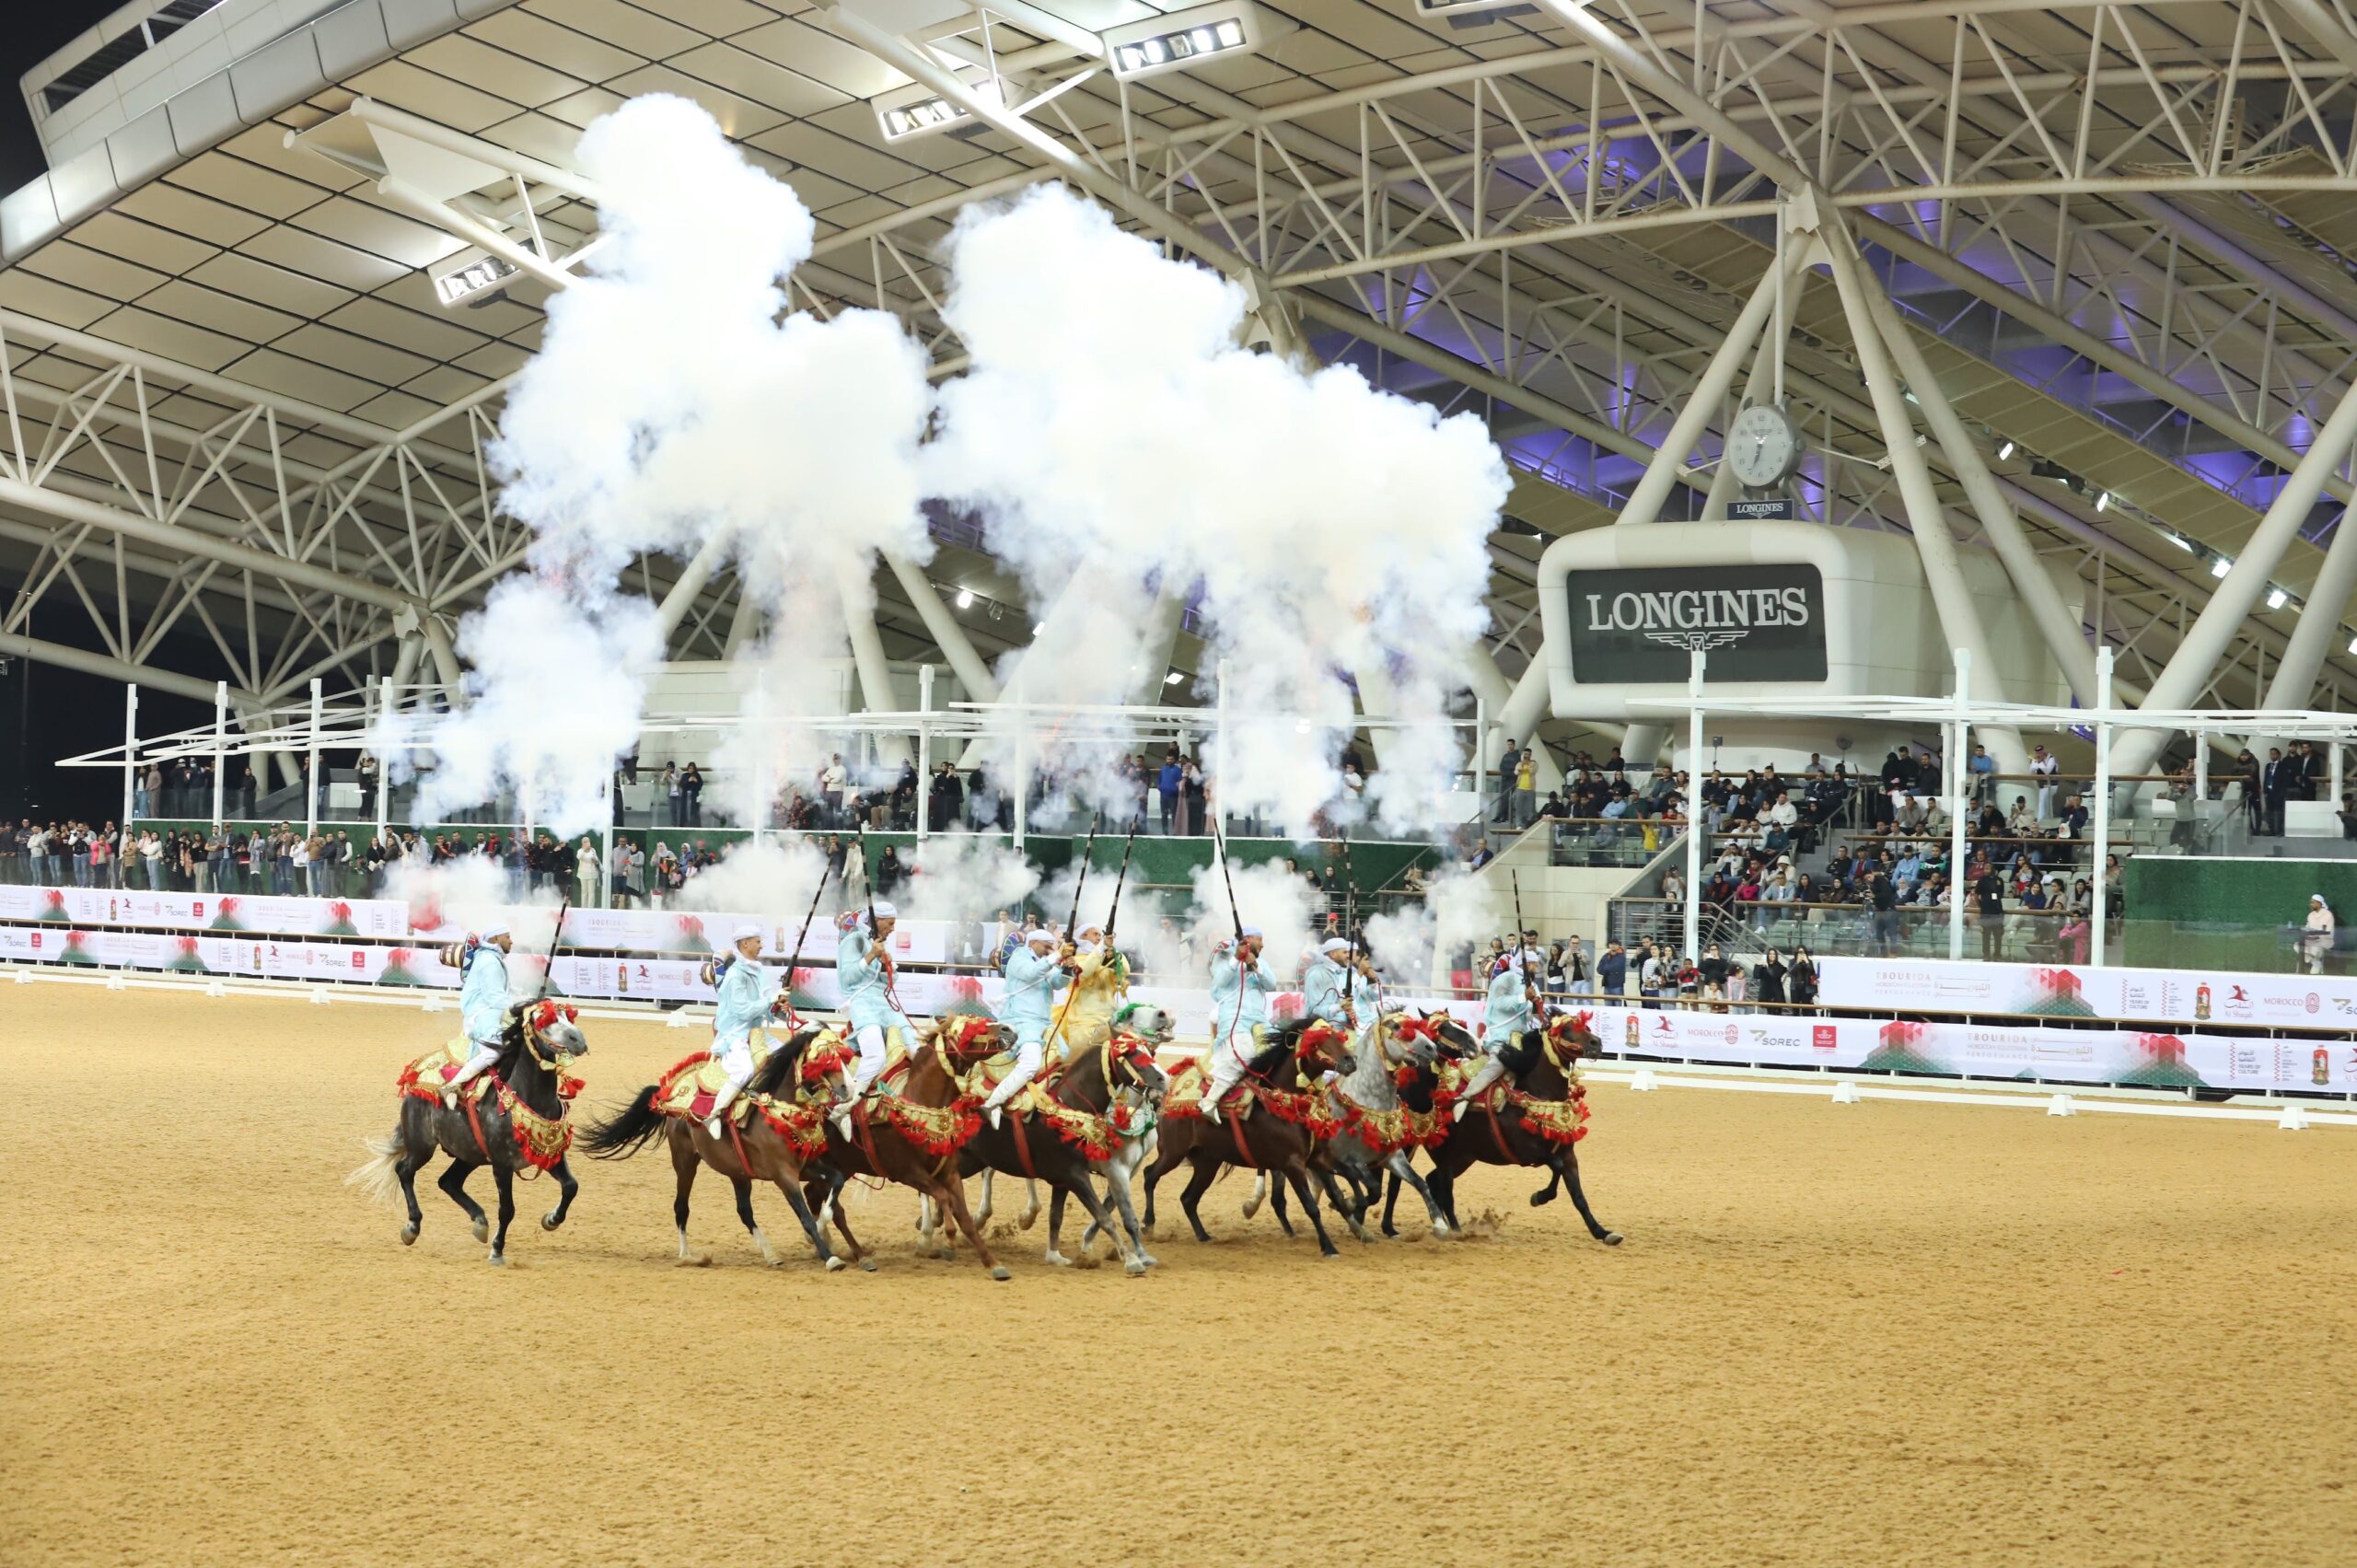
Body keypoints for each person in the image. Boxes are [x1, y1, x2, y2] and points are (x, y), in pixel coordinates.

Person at [833, 900, 910, 1132]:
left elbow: (889, 980)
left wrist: (887, 963)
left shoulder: (876, 942)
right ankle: (843, 1110)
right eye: (890, 923)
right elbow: (846, 979)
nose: (893, 928)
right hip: (863, 1004)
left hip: (885, 1005)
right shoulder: (853, 940)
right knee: (875, 1057)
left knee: (918, 1050)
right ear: (877, 921)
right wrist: (869, 956)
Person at [981, 927, 1064, 1129]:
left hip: (1043, 1024)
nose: (1048, 950)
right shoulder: (1019, 958)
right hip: (1021, 1021)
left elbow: (1058, 982)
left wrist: (1067, 967)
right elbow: (1031, 973)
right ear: (1033, 943)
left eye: (1050, 948)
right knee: (1031, 1064)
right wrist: (1057, 956)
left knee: (1066, 1055)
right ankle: (992, 1103)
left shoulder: (1043, 962)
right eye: (1046, 947)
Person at [702, 924, 774, 1137]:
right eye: (758, 941)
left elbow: (766, 1008)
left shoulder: (758, 972)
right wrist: (770, 1000)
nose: (761, 945)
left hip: (757, 1033)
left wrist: (778, 1007)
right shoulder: (734, 976)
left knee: (787, 1057)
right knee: (744, 1070)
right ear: (745, 944)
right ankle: (714, 1114)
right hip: (735, 1037)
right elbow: (743, 1011)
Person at [1198, 928, 1276, 1124]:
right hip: (1234, 1017)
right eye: (1260, 939)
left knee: (1277, 1052)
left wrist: (1255, 964)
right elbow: (1220, 980)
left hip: (1258, 1018)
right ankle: (1209, 1101)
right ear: (1248, 939)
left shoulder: (1261, 961)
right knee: (1245, 1054)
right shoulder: (1224, 956)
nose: (1263, 944)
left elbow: (1272, 984)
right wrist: (1236, 959)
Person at [1456, 946, 1536, 1119]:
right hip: (1501, 1035)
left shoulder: (1531, 984)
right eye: (1534, 964)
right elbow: (1499, 1003)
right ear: (1526, 964)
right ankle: (1465, 1096)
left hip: (1522, 1036)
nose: (1536, 968)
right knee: (1499, 1063)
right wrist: (1523, 997)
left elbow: (1531, 1011)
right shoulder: (1504, 979)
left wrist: (1536, 1003)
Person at [444, 923, 513, 1109]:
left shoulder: (491, 958)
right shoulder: (489, 962)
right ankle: (453, 1085)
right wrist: (519, 1011)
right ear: (496, 938)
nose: (511, 941)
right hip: (483, 1014)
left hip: (490, 1011)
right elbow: (495, 997)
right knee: (495, 1050)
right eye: (508, 936)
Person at [1052, 925, 1130, 1056]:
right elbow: (1084, 972)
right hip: (1083, 1023)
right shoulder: (1073, 960)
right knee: (1081, 1065)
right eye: (1095, 934)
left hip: (1109, 1021)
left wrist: (1114, 953)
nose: (1099, 937)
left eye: (1100, 935)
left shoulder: (1103, 957)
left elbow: (1126, 970)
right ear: (1083, 937)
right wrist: (1102, 948)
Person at [2304, 895, 2336, 975]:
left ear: (2319, 903)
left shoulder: (2328, 915)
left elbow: (2329, 932)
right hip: (2311, 940)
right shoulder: (2310, 915)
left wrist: (2317, 937)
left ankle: (2314, 974)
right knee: (2298, 946)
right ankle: (2316, 963)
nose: (2311, 904)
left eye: (2313, 902)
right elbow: (2307, 928)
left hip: (2325, 941)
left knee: (2315, 948)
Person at [1787, 946, 1818, 1010]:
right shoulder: (1792, 961)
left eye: (1803, 952)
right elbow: (1790, 972)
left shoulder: (1809, 962)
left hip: (1805, 988)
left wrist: (1807, 962)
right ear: (1796, 953)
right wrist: (1797, 963)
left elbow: (1812, 973)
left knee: (1806, 1009)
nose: (1801, 954)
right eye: (1799, 952)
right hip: (1795, 988)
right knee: (1795, 1009)